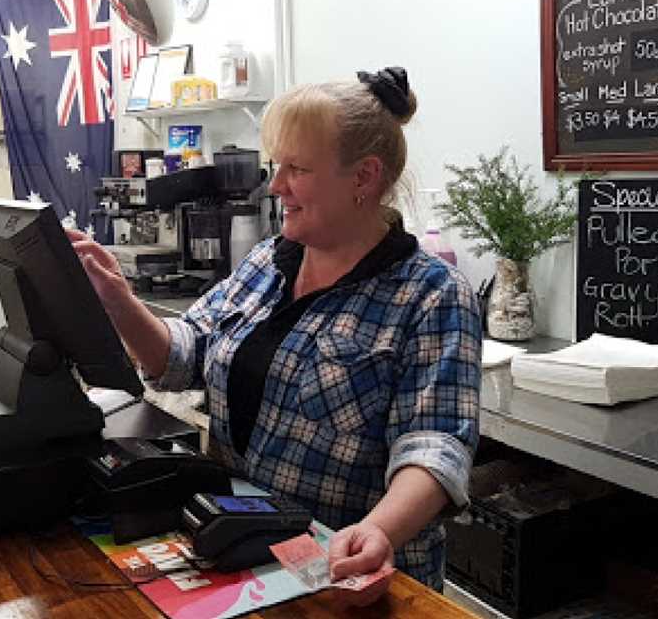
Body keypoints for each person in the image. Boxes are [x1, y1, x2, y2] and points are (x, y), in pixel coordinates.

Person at [69, 66, 481, 603]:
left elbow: (434, 446)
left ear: (364, 177)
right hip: (244, 552)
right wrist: (118, 301)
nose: (276, 185)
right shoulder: (269, 260)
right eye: (275, 165)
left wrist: (379, 530)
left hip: (348, 579)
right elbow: (186, 355)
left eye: (297, 169)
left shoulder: (431, 294)